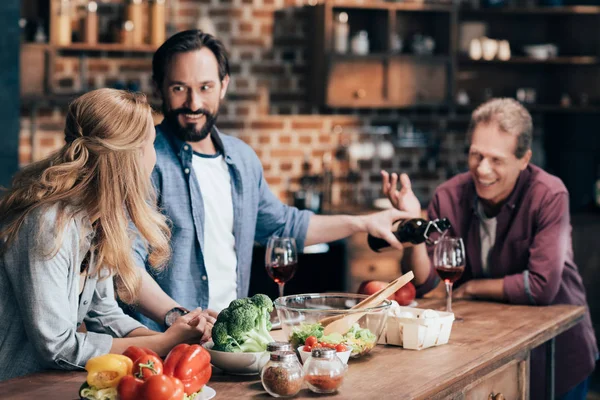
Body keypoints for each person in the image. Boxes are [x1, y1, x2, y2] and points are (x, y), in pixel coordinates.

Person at [127, 29, 412, 332]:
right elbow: (125, 263)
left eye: (205, 87)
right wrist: (176, 317)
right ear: (159, 88)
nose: (194, 102)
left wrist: (363, 223)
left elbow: (285, 225)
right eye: (179, 88)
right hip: (161, 345)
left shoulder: (242, 160)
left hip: (228, 343)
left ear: (224, 86)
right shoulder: (144, 160)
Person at [382, 98, 597, 399]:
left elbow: (541, 287)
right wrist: (414, 226)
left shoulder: (549, 194)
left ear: (524, 160)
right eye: (476, 155)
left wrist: (471, 289)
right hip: (489, 353)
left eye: (496, 160)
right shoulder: (450, 195)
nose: (482, 169)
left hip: (557, 357)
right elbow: (426, 284)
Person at [0, 89, 212, 382]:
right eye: (151, 144)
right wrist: (163, 343)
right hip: (14, 386)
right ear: (128, 157)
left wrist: (177, 336)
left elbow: (105, 314)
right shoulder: (49, 225)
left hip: (46, 384)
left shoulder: (98, 219)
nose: (155, 155)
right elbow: (57, 348)